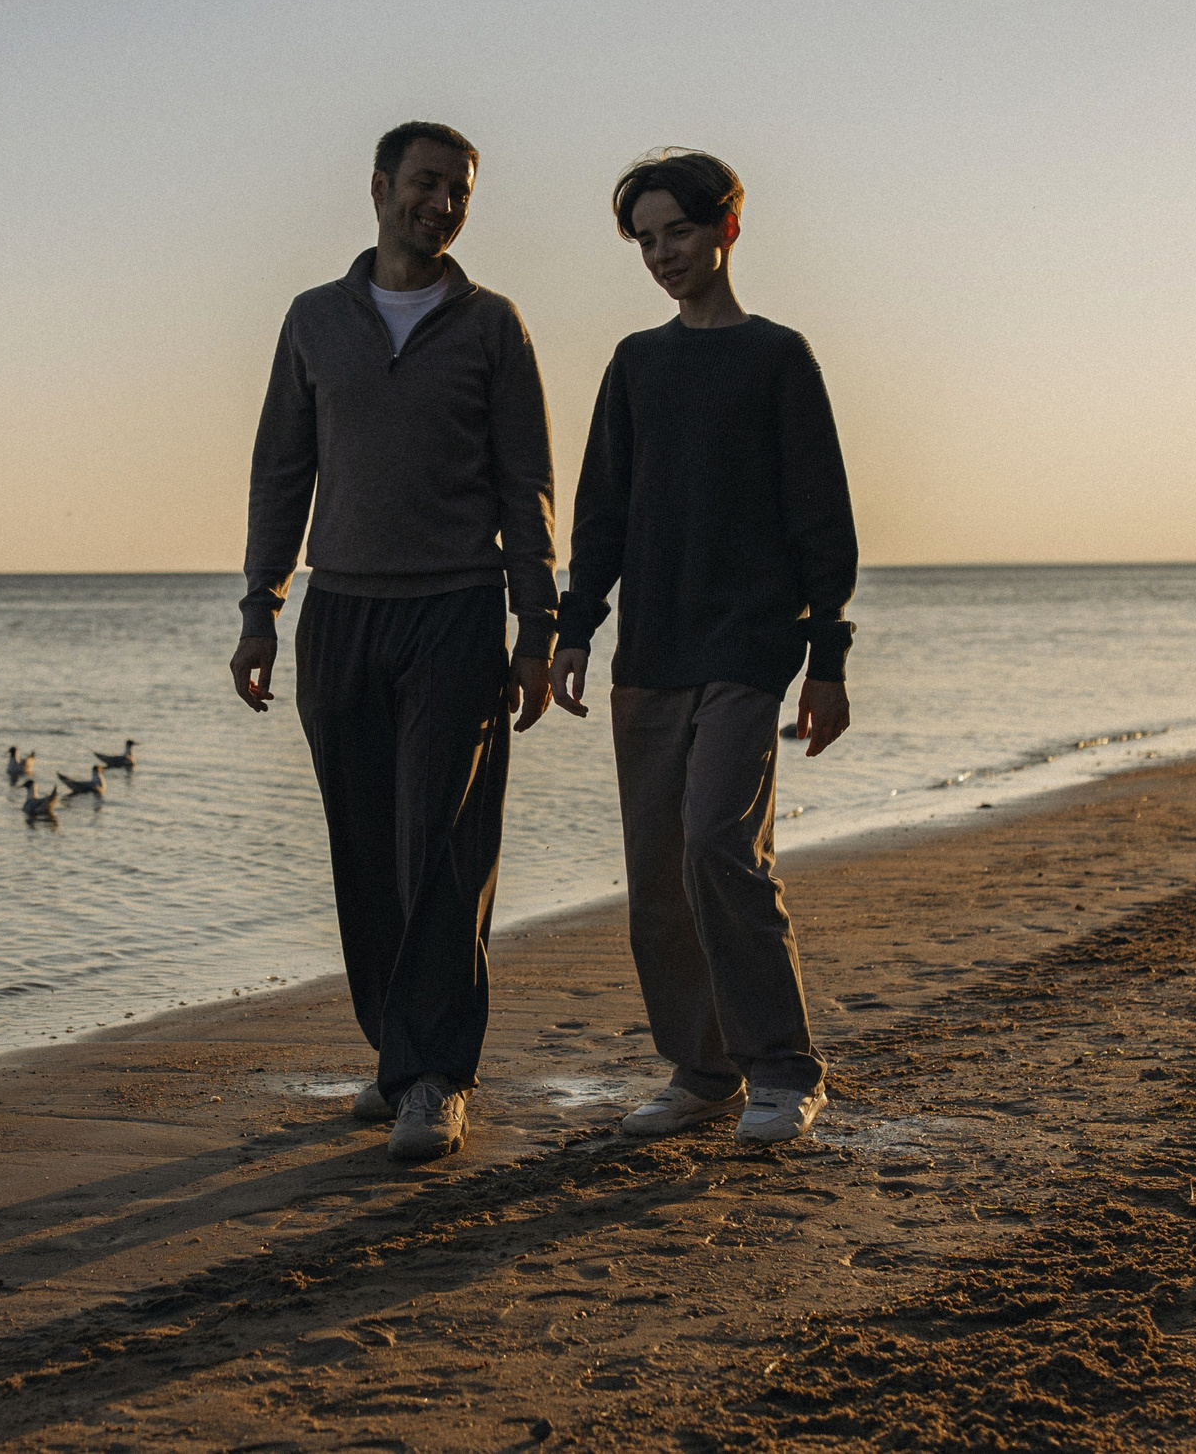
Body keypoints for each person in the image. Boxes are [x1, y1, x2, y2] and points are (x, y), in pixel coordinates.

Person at [231, 121, 558, 1163]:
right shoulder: (314, 321)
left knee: (443, 851)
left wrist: (536, 625)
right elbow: (282, 471)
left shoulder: (492, 326)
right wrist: (259, 606)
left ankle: (435, 1078)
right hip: (341, 615)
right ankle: (395, 1054)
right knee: (364, 850)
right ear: (378, 187)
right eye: (425, 184)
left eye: (459, 189)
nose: (443, 204)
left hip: (456, 611)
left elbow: (527, 487)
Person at [550, 149, 857, 1147]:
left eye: (675, 231)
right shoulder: (637, 365)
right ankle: (701, 1070)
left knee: (719, 844)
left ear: (726, 227)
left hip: (747, 649)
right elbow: (599, 512)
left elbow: (822, 521)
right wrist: (574, 632)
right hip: (650, 650)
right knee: (658, 877)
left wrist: (827, 662)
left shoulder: (777, 358)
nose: (659, 254)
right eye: (643, 239)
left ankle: (783, 1068)